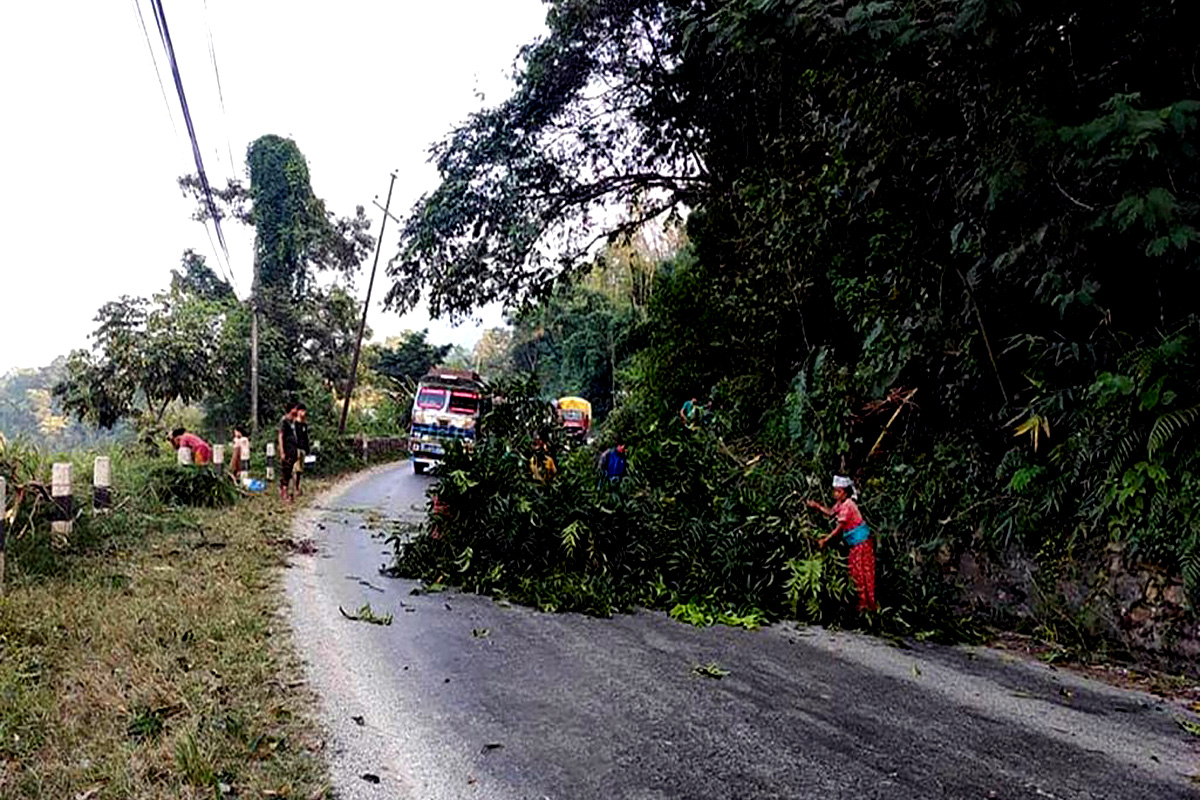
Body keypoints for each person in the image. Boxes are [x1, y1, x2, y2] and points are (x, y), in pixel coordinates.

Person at [807, 475, 877, 612]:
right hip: (856, 544)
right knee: (856, 572)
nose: (835, 494)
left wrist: (825, 541)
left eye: (838, 491)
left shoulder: (848, 506)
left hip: (861, 544)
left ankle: (866, 606)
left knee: (862, 573)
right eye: (835, 491)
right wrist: (817, 506)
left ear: (845, 492)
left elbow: (838, 529)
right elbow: (831, 513)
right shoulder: (841, 504)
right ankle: (863, 605)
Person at [278, 402, 299, 502]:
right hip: (287, 451)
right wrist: (282, 451)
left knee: (291, 473)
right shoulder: (284, 421)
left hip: (293, 451)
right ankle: (284, 493)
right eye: (295, 408)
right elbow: (280, 436)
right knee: (285, 472)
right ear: (290, 409)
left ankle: (290, 495)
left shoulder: (293, 422)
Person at [291, 404, 310, 496]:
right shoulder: (294, 424)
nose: (303, 413)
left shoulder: (304, 425)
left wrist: (307, 449)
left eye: (304, 411)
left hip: (303, 449)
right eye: (301, 411)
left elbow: (306, 437)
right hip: (296, 448)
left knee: (300, 470)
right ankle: (295, 488)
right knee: (295, 469)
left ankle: (297, 486)